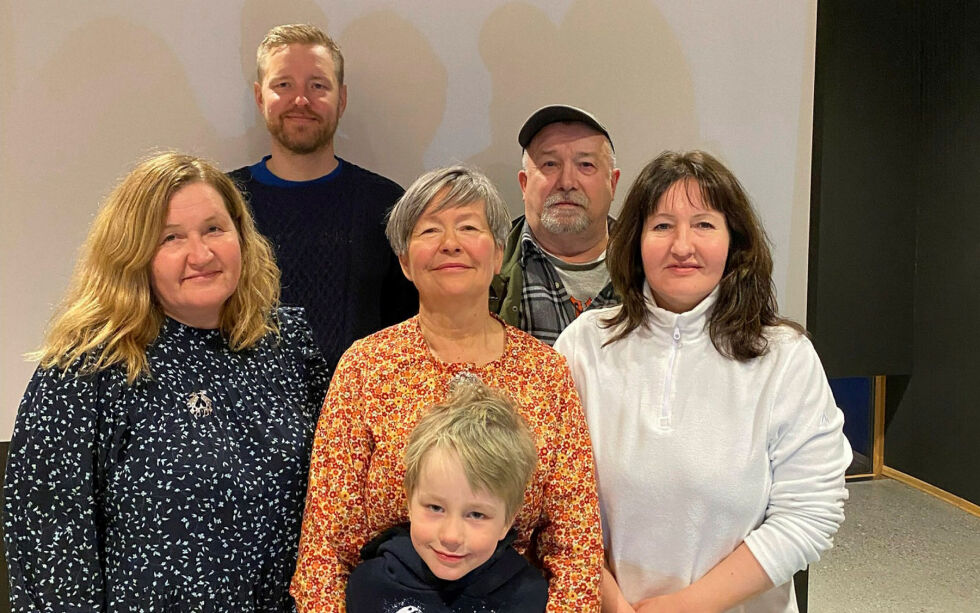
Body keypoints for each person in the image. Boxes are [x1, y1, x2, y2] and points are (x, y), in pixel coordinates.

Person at [3, 152, 329, 612]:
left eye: (215, 229)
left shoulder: (287, 343)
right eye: (171, 238)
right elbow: (51, 552)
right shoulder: (84, 369)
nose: (202, 254)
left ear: (241, 233)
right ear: (132, 255)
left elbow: (329, 505)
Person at [292, 166, 603, 612]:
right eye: (430, 230)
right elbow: (325, 548)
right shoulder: (366, 366)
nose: (450, 243)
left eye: (469, 227)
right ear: (404, 261)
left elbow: (577, 548)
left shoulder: (546, 373)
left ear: (498, 255)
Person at [555, 150, 852, 613]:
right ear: (634, 241)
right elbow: (556, 499)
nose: (682, 245)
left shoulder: (783, 355)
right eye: (662, 226)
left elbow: (809, 512)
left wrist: (687, 606)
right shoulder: (583, 346)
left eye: (704, 225)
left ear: (735, 241)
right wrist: (612, 602)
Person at [230, 23, 417, 372]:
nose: (301, 100)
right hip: (246, 419)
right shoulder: (225, 205)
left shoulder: (387, 206)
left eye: (318, 86)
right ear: (259, 97)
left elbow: (411, 332)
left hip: (361, 416)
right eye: (283, 85)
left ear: (341, 99)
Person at [345, 380, 548, 612]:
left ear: (508, 520)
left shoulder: (528, 595)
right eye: (435, 508)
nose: (451, 536)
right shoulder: (368, 585)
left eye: (476, 514)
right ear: (409, 501)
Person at [489, 104, 622, 345]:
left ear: (612, 184)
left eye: (586, 165)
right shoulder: (484, 266)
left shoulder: (649, 264)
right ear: (524, 183)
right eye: (550, 164)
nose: (567, 182)